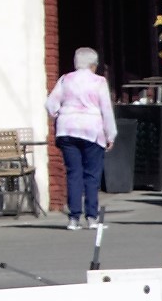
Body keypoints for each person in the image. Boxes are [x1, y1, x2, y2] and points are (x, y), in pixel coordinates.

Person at [48, 45, 116, 241]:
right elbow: (106, 109)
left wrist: (60, 114)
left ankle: (73, 218)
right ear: (93, 65)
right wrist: (110, 134)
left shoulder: (65, 79)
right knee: (92, 175)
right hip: (91, 130)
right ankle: (92, 217)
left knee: (73, 173)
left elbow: (50, 104)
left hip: (67, 129)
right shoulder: (99, 82)